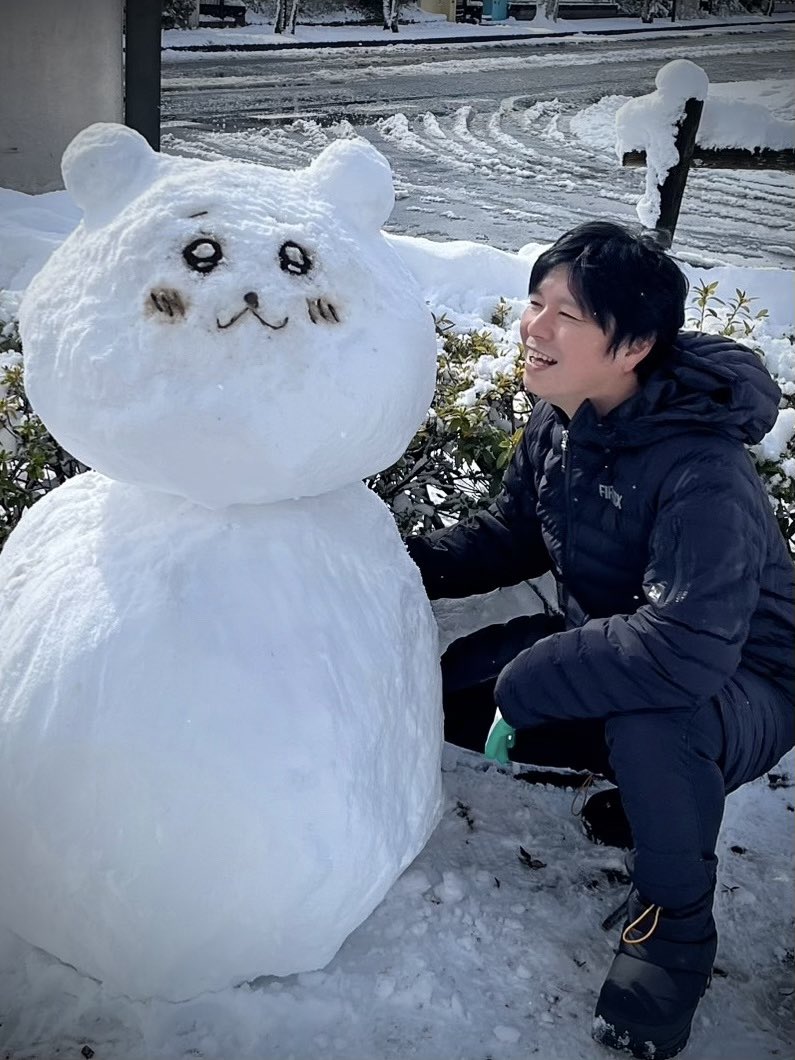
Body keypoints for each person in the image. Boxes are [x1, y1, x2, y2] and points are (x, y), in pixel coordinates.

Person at [406, 221, 794, 1060]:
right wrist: (397, 562)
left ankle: (673, 933)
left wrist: (537, 676)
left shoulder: (702, 470)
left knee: (657, 723)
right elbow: (511, 535)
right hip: (623, 639)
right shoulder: (564, 421)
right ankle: (639, 789)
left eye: (566, 315)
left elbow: (686, 648)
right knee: (456, 691)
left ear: (635, 345)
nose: (533, 328)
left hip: (741, 680)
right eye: (534, 302)